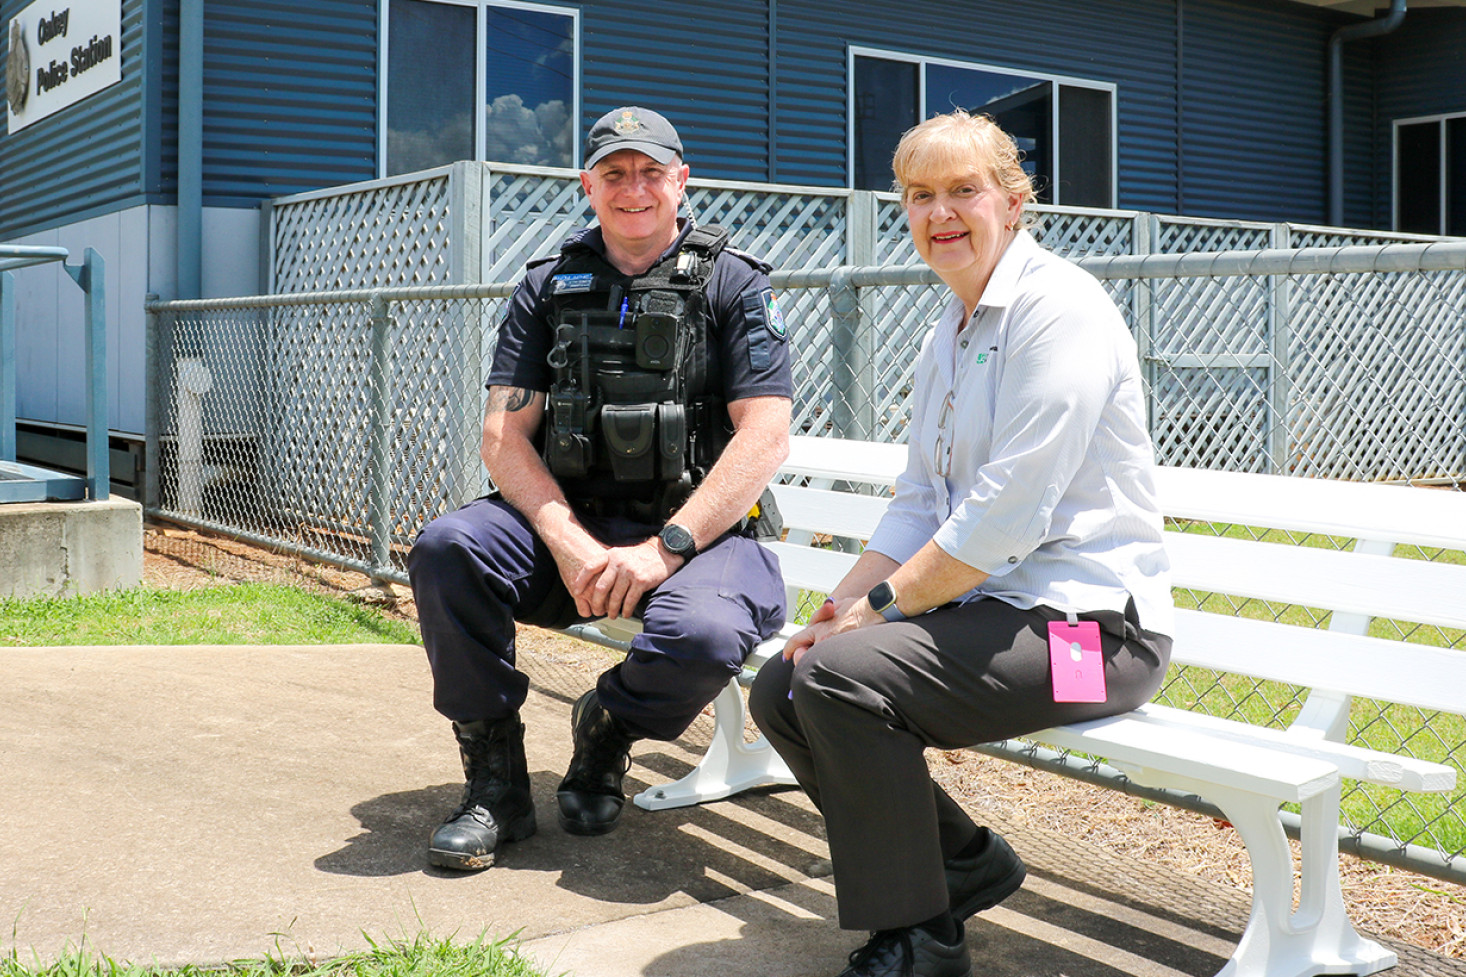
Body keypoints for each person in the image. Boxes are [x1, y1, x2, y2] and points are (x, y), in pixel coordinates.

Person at [748, 110, 1174, 977]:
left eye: (963, 190)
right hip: (996, 611)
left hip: (1094, 635)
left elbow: (1006, 515)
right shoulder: (950, 329)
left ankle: (922, 936)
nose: (941, 211)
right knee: (787, 681)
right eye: (920, 195)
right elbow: (919, 503)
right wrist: (835, 608)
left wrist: (872, 613)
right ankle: (964, 861)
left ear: (1014, 203)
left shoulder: (1061, 312)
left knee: (839, 677)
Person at [408, 106, 793, 870]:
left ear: (682, 182)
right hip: (576, 536)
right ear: (589, 185)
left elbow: (765, 434)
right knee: (447, 548)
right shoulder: (548, 287)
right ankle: (497, 784)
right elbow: (503, 435)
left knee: (707, 637)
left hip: (701, 537)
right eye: (615, 173)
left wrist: (667, 547)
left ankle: (609, 724)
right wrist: (569, 541)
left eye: (651, 172)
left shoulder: (734, 285)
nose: (634, 188)